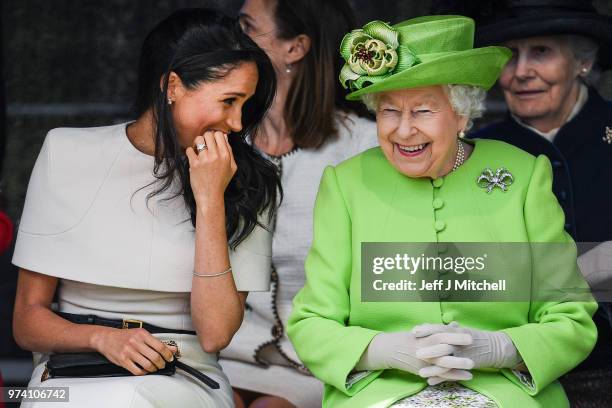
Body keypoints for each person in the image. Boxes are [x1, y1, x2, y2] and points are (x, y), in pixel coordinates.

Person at [287, 15, 598, 408]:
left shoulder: (522, 176)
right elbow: (312, 322)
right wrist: (379, 350)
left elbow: (571, 317)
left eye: (422, 111)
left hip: (506, 394)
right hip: (380, 395)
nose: (403, 130)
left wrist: (503, 348)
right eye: (388, 111)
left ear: (462, 115)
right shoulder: (347, 184)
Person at [11, 8, 280, 408]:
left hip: (185, 375)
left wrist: (209, 200)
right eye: (228, 101)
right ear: (173, 85)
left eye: (245, 104)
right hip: (73, 370)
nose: (238, 123)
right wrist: (101, 339)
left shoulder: (249, 179)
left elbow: (215, 335)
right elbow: (27, 322)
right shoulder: (66, 152)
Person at [218, 1, 377, 407]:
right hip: (229, 354)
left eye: (247, 26)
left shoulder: (364, 146)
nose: (230, 37)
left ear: (295, 48)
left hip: (320, 358)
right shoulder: (225, 140)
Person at [461, 1, 612, 404]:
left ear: (582, 61)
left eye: (541, 52)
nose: (522, 71)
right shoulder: (474, 150)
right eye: (510, 56)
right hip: (510, 366)